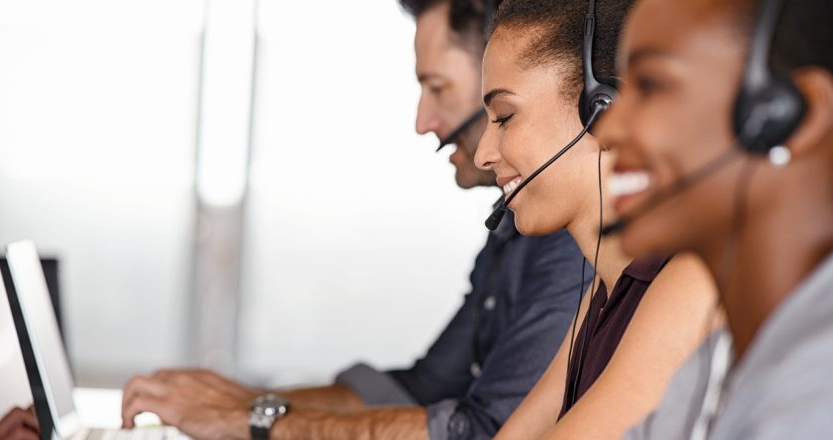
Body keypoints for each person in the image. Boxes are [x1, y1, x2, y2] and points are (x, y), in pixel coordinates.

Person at [120, 1, 589, 439]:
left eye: (438, 87)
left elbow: (478, 429)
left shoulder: (578, 246)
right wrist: (239, 404)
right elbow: (426, 388)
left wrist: (255, 420)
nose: (423, 121)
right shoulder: (518, 228)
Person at [472, 0, 720, 438]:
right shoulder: (604, 290)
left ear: (601, 106)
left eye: (505, 117)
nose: (483, 154)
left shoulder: (693, 279)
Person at [593, 0, 833, 437]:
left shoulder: (818, 386)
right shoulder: (720, 361)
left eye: (650, 85)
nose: (608, 132)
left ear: (785, 113)